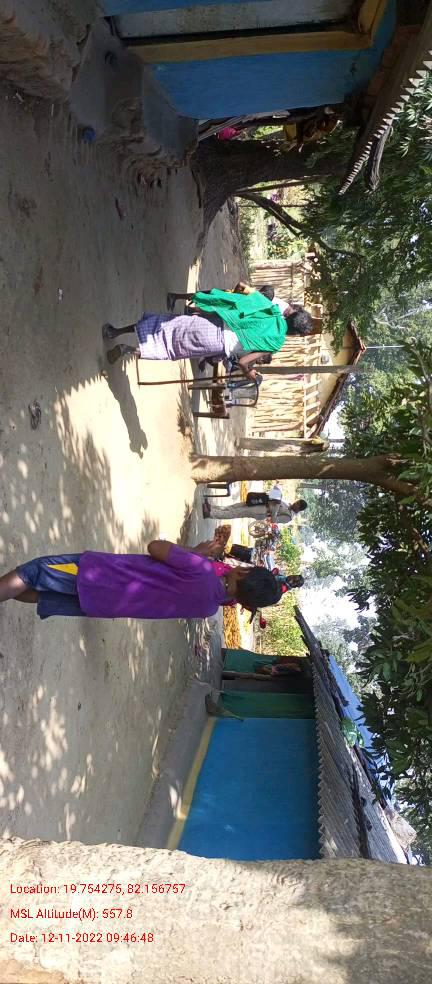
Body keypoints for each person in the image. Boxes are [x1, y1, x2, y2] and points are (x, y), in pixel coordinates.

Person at [0, 541, 282, 622]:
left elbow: (155, 547)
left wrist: (195, 552)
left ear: (243, 573)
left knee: (33, 573)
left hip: (99, 576)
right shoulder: (208, 609)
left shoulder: (202, 569)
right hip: (103, 605)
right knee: (41, 593)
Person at [103, 287, 314, 377]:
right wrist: (249, 373)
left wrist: (207, 302)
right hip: (215, 344)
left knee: (165, 323)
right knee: (169, 349)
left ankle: (115, 332)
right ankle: (128, 350)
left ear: (291, 315)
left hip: (212, 322)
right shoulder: (276, 343)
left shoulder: (269, 308)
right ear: (294, 333)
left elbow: (236, 300)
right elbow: (243, 362)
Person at [203, 496, 307, 523]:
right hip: (261, 502)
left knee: (236, 513)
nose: (295, 503)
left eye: (297, 504)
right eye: (297, 501)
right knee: (234, 507)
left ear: (299, 509)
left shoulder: (289, 517)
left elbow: (274, 520)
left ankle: (210, 514)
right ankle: (212, 508)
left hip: (261, 512)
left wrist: (276, 506)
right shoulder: (288, 505)